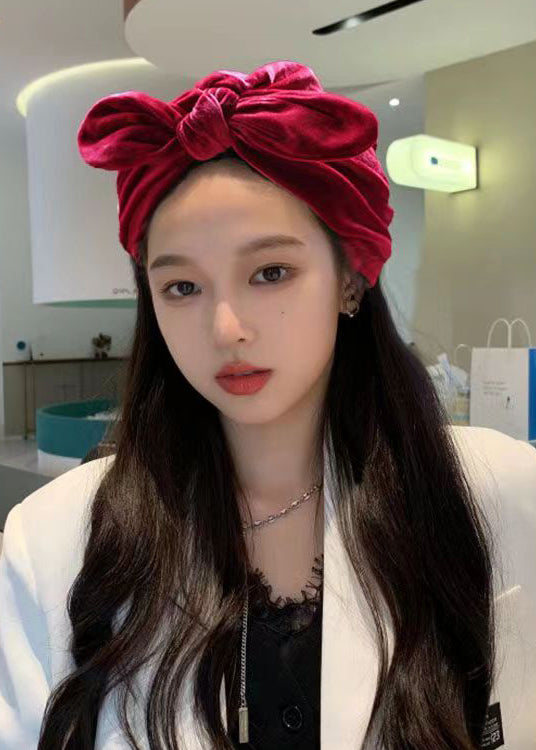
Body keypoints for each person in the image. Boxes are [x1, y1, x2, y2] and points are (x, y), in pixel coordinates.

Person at [0, 60, 535, 750]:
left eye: (270, 272)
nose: (226, 328)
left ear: (350, 280)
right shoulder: (54, 538)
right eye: (182, 287)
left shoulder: (499, 490)